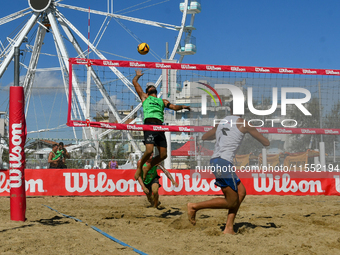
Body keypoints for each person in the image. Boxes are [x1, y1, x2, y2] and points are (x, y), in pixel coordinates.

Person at [187, 103, 270, 234]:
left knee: (241, 192)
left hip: (218, 160)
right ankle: (194, 207)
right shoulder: (244, 124)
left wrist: (221, 134)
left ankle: (229, 227)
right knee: (231, 202)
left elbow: (205, 137)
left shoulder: (222, 122)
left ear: (230, 109)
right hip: (223, 162)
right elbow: (266, 142)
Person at [132, 69, 190, 181]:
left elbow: (173, 107)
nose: (152, 87)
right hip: (149, 124)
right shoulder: (145, 97)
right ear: (147, 91)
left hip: (160, 126)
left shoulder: (162, 101)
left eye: (153, 87)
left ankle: (148, 166)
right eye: (150, 87)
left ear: (155, 90)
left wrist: (183, 106)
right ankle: (140, 168)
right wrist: (137, 76)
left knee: (164, 155)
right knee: (149, 151)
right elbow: (135, 83)